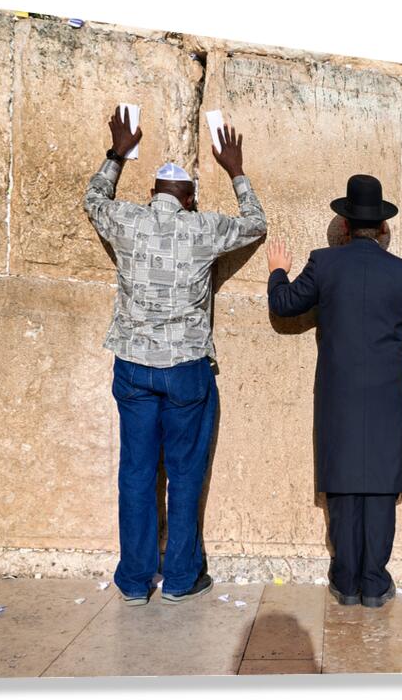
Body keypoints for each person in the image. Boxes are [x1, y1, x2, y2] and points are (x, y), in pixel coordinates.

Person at [84, 107, 267, 605]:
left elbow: (93, 198)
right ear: (189, 198)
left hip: (134, 368)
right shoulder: (201, 228)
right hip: (186, 370)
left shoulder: (127, 221)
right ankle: (182, 578)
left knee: (137, 474)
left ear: (153, 195)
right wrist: (235, 169)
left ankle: (135, 581)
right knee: (185, 475)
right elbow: (256, 223)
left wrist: (116, 154)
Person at [265, 174, 402, 608]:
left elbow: (284, 304)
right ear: (382, 230)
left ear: (344, 227)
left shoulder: (323, 264)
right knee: (382, 486)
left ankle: (345, 582)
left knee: (343, 483)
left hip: (339, 393)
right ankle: (374, 581)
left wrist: (276, 271)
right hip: (385, 396)